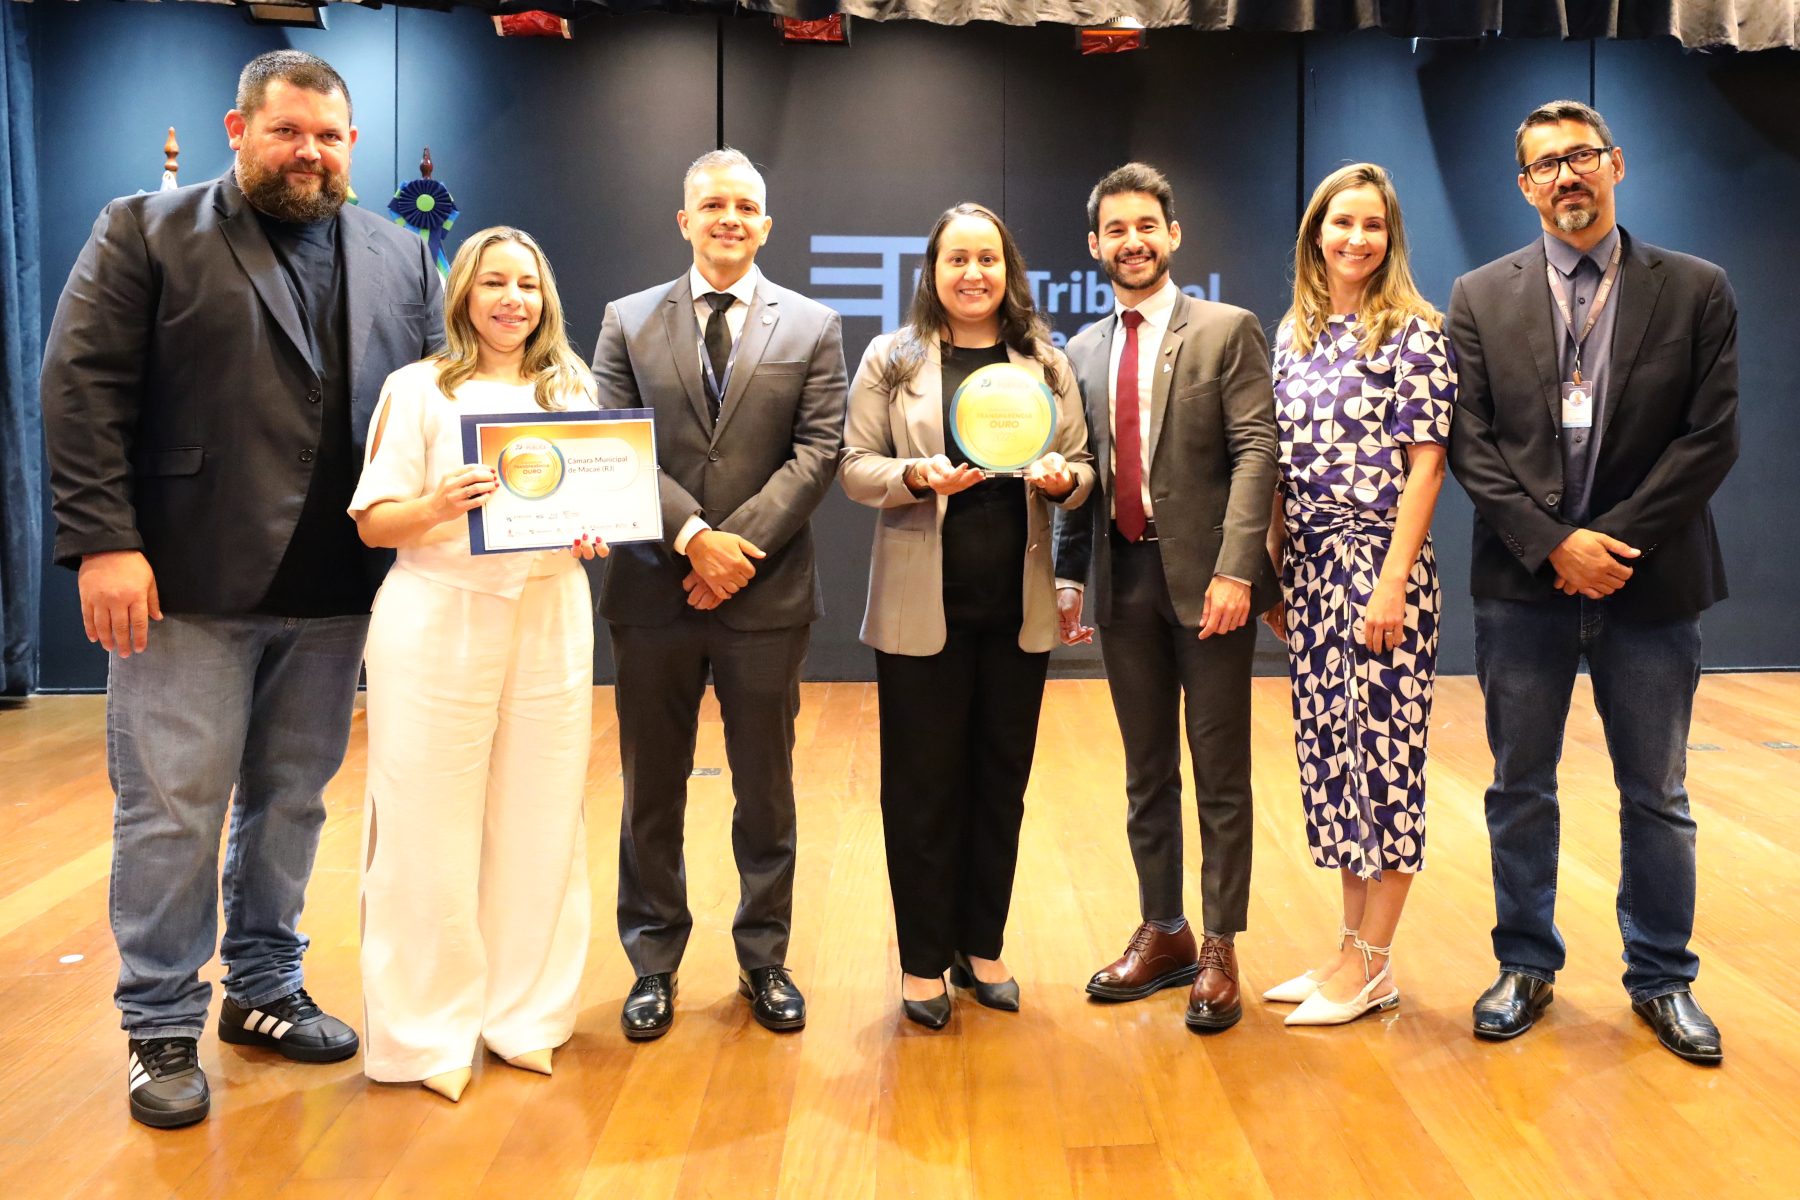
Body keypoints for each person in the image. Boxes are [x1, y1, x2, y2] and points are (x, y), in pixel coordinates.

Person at [39, 52, 443, 1128]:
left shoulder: (399, 251)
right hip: (185, 585)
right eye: (289, 132)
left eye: (330, 136)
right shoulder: (146, 229)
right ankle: (161, 1020)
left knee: (291, 804)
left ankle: (262, 989)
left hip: (336, 591)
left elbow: (441, 404)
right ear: (239, 128)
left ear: (354, 144)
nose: (310, 152)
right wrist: (103, 542)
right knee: (173, 808)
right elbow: (79, 388)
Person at [1449, 101, 1738, 1064]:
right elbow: (1471, 447)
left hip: (1649, 588)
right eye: (1544, 166)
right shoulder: (1480, 296)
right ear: (1524, 185)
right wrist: (1552, 545)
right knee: (1518, 786)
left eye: (1581, 158)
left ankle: (1662, 977)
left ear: (1618, 163)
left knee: (1656, 792)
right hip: (1522, 588)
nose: (1566, 177)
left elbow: (1710, 441)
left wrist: (1607, 543)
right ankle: (1525, 963)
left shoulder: (1696, 290)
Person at [591, 148, 847, 1041]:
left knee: (766, 790)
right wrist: (696, 539)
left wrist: (738, 550)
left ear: (765, 225)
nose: (729, 218)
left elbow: (819, 452)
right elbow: (614, 442)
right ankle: (652, 962)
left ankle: (763, 957)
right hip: (654, 591)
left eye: (745, 206)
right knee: (649, 789)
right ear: (684, 219)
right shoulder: (626, 320)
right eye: (713, 204)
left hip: (765, 595)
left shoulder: (813, 326)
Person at [349, 228, 605, 1102]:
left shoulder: (573, 389)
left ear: (546, 297)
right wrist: (434, 503)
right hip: (436, 615)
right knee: (425, 828)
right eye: (493, 283)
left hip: (551, 613)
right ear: (463, 294)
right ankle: (426, 1036)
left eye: (527, 285)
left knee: (541, 819)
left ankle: (525, 1017)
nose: (511, 300)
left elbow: (597, 496)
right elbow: (375, 522)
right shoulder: (416, 389)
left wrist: (592, 530)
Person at [841, 202, 1094, 1028]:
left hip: (1014, 612)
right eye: (957, 260)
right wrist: (916, 477)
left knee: (1000, 785)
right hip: (923, 610)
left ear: (1008, 271)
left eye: (988, 259)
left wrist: (1063, 482)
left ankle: (980, 944)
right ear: (932, 271)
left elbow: (1084, 466)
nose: (973, 274)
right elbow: (852, 467)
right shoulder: (893, 358)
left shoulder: (1044, 364)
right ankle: (922, 961)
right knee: (920, 790)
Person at [1054, 164, 1279, 1033]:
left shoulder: (1227, 330)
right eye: (1116, 229)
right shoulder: (1081, 350)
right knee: (1147, 773)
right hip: (1123, 583)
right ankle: (1165, 930)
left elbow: (1258, 452)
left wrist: (1237, 570)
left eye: (1147, 224)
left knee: (1220, 776)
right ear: (1095, 245)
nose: (1133, 241)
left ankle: (1221, 944)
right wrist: (1072, 575)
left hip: (1210, 587)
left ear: (1173, 234)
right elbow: (1085, 476)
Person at [1258, 164, 1454, 1026]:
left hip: (1380, 568)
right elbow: (1276, 466)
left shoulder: (1415, 332)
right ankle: (1346, 950)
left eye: (1373, 226)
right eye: (1343, 223)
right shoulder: (1291, 333)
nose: (1356, 240)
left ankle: (1376, 963)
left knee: (1385, 763)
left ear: (1391, 237)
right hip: (1308, 572)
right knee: (1333, 765)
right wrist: (1272, 566)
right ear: (1316, 232)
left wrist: (1391, 583)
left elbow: (1427, 467)